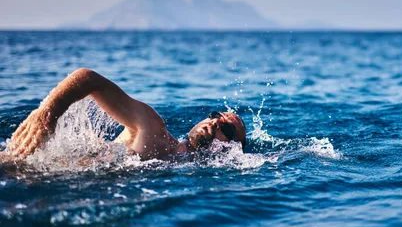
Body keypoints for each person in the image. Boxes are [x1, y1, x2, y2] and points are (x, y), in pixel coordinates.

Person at [7, 68, 246, 160]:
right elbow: (88, 78)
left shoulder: (182, 172)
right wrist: (46, 117)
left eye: (226, 129)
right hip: (20, 166)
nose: (216, 122)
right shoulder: (152, 129)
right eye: (217, 115)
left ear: (232, 149)